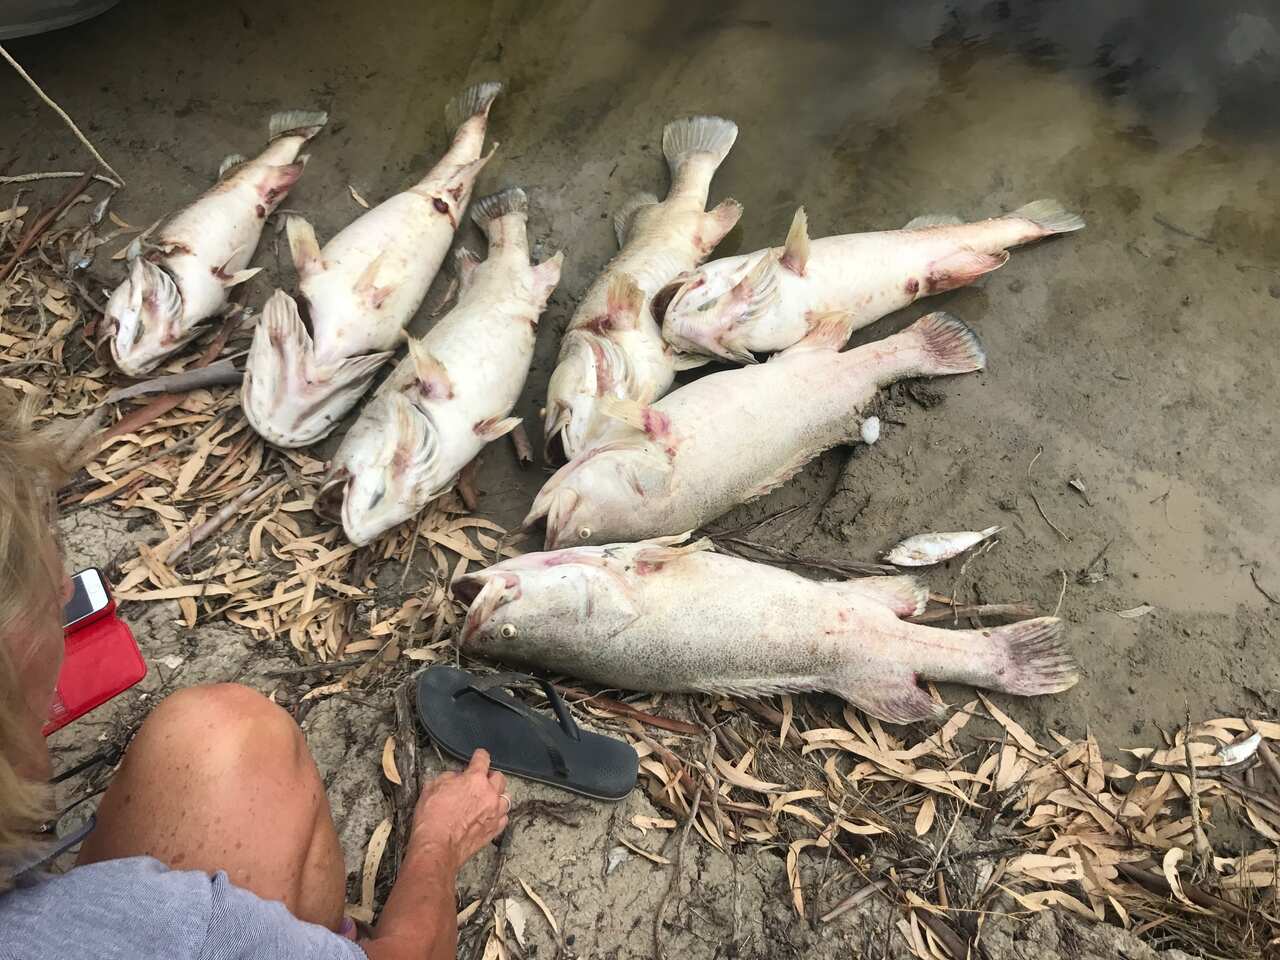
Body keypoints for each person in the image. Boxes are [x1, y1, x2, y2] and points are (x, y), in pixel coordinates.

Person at [0, 389, 510, 960]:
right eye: (46, 594)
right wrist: (440, 840)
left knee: (224, 730)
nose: (67, 592)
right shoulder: (164, 927)